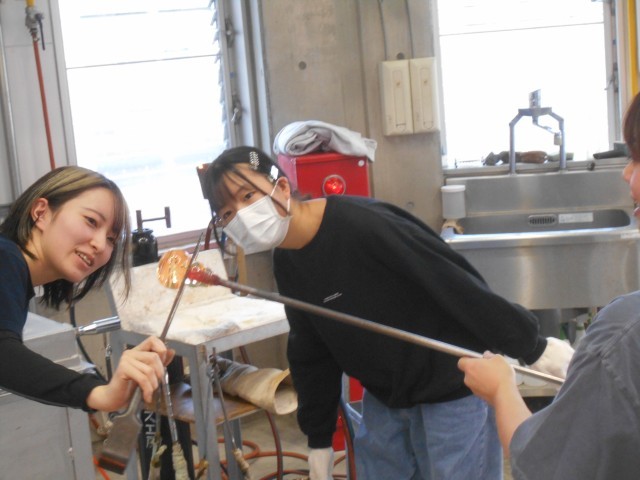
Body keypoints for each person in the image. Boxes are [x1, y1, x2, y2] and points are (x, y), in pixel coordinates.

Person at [202, 146, 574, 480]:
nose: (242, 216)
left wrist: (532, 346)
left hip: (451, 389)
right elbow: (311, 350)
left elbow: (453, 282)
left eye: (248, 196)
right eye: (228, 213)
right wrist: (319, 439)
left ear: (281, 187)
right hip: (386, 396)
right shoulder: (287, 262)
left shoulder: (363, 225)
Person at [457, 93, 640, 480]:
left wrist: (502, 390)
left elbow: (543, 465)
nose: (626, 173)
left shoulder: (623, 335)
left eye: (637, 158)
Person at [0, 165, 174, 413]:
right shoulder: (5, 258)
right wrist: (97, 393)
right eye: (91, 221)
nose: (100, 244)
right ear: (41, 213)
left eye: (112, 239)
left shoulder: (15, 272)